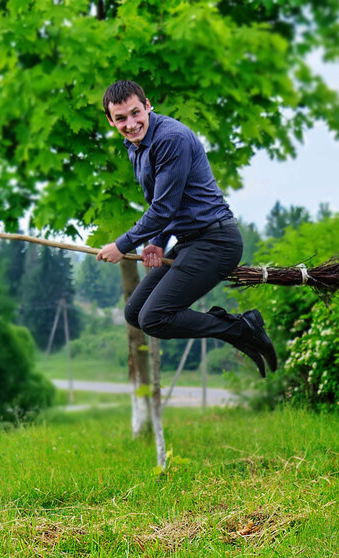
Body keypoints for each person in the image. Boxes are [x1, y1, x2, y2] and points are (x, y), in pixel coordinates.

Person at [96, 79, 277, 378]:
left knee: (154, 318)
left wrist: (122, 245)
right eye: (121, 118)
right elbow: (164, 202)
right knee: (134, 313)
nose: (130, 124)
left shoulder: (170, 139)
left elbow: (163, 209)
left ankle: (239, 327)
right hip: (191, 241)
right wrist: (156, 242)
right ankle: (236, 328)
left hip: (216, 241)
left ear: (148, 105)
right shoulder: (135, 146)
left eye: (135, 113)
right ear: (110, 120)